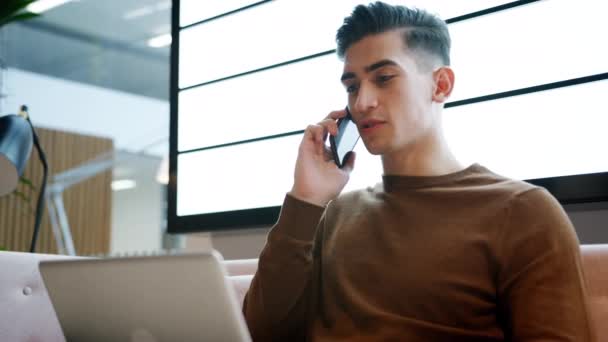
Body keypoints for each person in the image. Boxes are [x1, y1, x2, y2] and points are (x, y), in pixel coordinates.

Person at [242, 2, 594, 341]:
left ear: (440, 85)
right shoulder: (334, 215)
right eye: (352, 86)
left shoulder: (523, 211)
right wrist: (305, 199)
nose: (362, 102)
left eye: (383, 78)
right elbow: (262, 333)